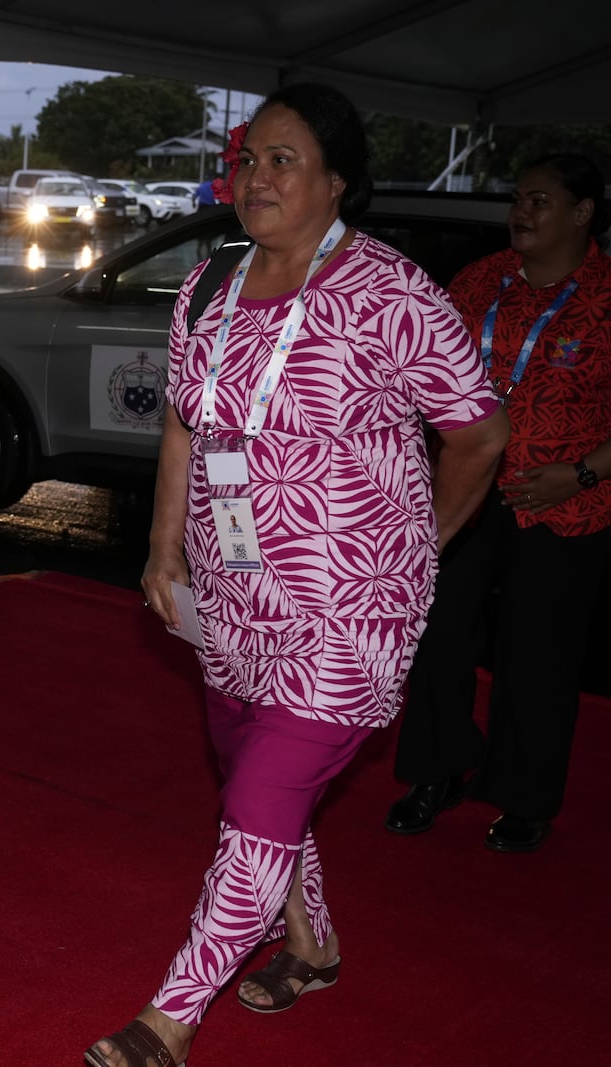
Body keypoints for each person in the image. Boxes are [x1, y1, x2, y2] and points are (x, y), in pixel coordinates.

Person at [91, 84, 509, 1067]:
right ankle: (311, 945)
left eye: (284, 159)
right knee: (253, 784)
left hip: (349, 609)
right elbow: (185, 424)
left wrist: (416, 545)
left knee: (264, 797)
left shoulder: (392, 293)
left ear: (337, 182)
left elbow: (479, 434)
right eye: (248, 158)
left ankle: (169, 1018)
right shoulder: (207, 287)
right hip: (233, 597)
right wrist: (162, 547)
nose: (257, 176)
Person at [385, 153, 611, 853]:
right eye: (518, 199)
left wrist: (579, 472)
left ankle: (523, 795)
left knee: (537, 652)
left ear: (583, 213)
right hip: (465, 488)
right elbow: (419, 370)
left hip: (564, 500)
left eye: (540, 201)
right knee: (438, 632)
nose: (522, 213)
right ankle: (437, 769)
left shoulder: (606, 295)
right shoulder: (479, 282)